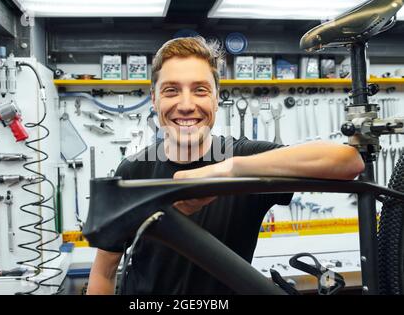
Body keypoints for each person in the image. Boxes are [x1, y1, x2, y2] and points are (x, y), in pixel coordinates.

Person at [87, 36, 365, 295]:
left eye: (200, 90)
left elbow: (348, 161)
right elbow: (104, 269)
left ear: (216, 97)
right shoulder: (133, 170)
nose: (186, 105)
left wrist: (228, 170)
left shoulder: (246, 159)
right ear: (155, 97)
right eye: (171, 90)